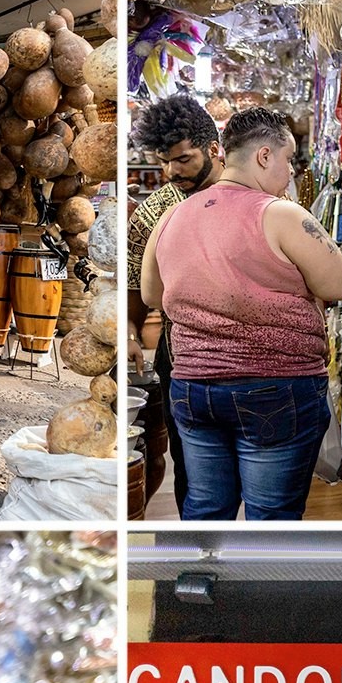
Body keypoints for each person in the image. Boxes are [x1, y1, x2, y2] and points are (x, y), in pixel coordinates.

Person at [141, 106, 342, 519]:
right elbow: (341, 284)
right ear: (263, 156)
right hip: (275, 387)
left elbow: (153, 293)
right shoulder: (280, 213)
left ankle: (199, 582)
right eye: (288, 159)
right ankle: (260, 584)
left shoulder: (171, 217)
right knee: (271, 516)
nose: (290, 171)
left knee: (205, 509)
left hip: (195, 387)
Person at [127, 94, 226, 508]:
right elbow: (136, 286)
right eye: (164, 160)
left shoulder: (257, 198)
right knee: (195, 474)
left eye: (183, 159)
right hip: (182, 356)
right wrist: (130, 331)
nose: (171, 171)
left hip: (257, 356)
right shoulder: (154, 213)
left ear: (213, 148)